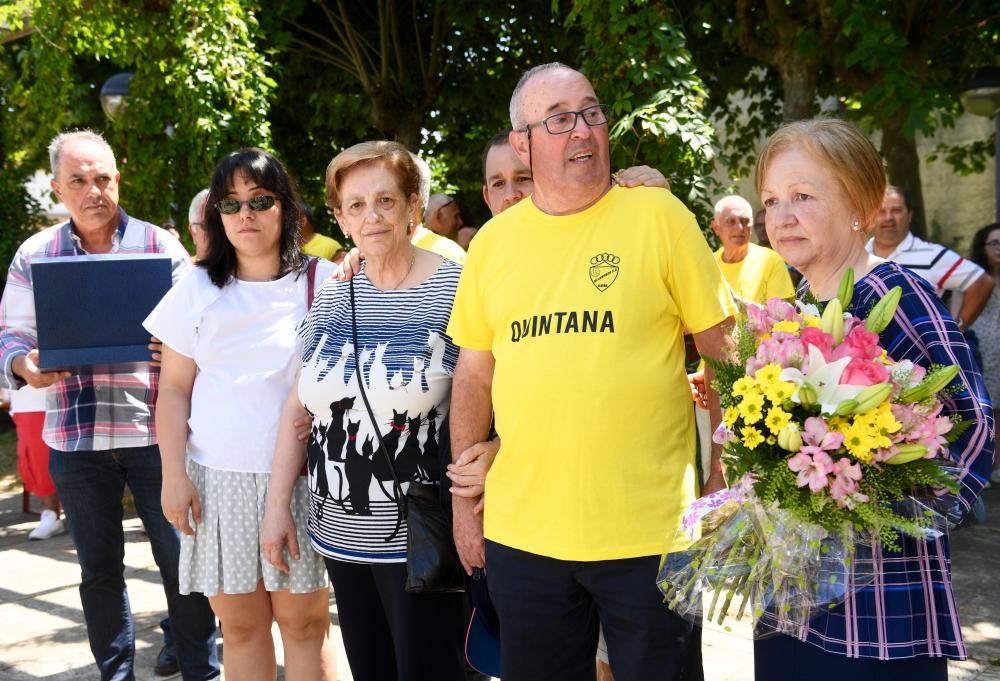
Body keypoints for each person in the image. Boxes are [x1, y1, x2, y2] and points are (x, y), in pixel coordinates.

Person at [446, 62, 735, 681]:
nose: (581, 131)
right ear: (522, 142)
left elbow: (724, 347)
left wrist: (726, 469)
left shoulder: (659, 216)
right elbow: (473, 377)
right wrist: (465, 508)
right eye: (558, 120)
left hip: (653, 532)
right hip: (525, 534)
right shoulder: (493, 247)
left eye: (591, 112)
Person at [753, 117, 994, 680]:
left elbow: (974, 424)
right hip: (795, 600)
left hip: (880, 610)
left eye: (802, 197)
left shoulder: (894, 292)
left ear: (860, 206)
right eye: (770, 200)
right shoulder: (796, 308)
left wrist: (881, 502)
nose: (780, 217)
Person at [0, 129, 219, 680]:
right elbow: (11, 335)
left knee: (181, 564)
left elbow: (199, 329)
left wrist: (176, 341)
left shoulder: (158, 246)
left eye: (102, 177)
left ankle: (201, 669)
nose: (93, 189)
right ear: (58, 188)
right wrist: (25, 366)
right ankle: (115, 674)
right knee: (99, 571)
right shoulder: (35, 254)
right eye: (79, 180)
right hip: (77, 440)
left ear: (117, 178)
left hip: (156, 435)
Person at [262, 140, 468, 681]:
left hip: (420, 539)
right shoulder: (334, 292)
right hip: (340, 532)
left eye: (385, 200)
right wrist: (277, 505)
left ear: (412, 207)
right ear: (338, 217)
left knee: (431, 671)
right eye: (355, 205)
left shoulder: (455, 289)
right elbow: (297, 406)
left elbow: (492, 397)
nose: (371, 216)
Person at [146, 148, 337, 681]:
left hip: (301, 481)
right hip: (215, 480)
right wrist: (173, 475)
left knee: (304, 625)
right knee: (242, 628)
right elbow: (175, 389)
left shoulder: (324, 283)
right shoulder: (196, 289)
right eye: (231, 204)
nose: (246, 214)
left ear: (287, 207)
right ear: (217, 216)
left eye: (260, 200)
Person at [869, 186, 994, 329]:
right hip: (863, 349)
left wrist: (957, 329)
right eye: (881, 211)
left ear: (909, 215)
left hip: (916, 350)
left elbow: (982, 282)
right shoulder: (859, 254)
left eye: (896, 210)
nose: (888, 217)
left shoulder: (931, 255)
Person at [8, 384, 64, 539]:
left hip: (69, 393)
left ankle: (89, 514)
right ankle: (51, 515)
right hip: (27, 401)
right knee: (36, 463)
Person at [967, 222, 1000, 485]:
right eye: (994, 243)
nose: (999, 249)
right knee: (982, 405)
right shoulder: (973, 277)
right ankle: (983, 466)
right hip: (982, 345)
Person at [188, 188, 210, 261]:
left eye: (221, 224)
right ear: (193, 232)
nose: (217, 230)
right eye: (208, 225)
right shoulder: (182, 271)